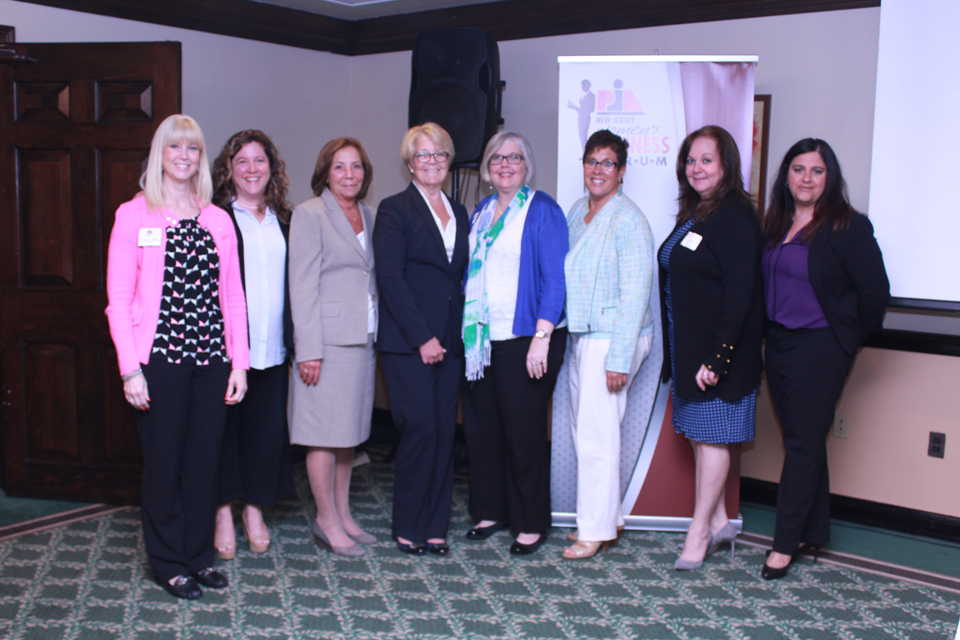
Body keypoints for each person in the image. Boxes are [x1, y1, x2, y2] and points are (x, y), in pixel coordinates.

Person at [105, 114, 248, 600]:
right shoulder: (134, 214)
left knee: (203, 463)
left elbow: (234, 298)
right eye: (175, 148)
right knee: (164, 464)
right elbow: (118, 298)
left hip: (212, 362)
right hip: (159, 362)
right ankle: (168, 563)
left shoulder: (218, 219)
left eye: (192, 149)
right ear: (159, 155)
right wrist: (130, 369)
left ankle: (197, 557)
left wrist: (240, 363)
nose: (184, 157)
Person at [760, 139, 888, 580]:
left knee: (800, 445)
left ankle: (783, 544)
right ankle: (812, 530)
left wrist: (844, 342)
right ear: (787, 175)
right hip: (777, 344)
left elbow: (875, 295)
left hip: (820, 348)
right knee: (805, 439)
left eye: (816, 171)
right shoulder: (776, 223)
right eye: (798, 169)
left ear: (829, 178)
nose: (806, 179)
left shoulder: (847, 227)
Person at [657, 125, 764, 571]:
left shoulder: (735, 214)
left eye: (707, 160)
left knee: (713, 439)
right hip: (691, 349)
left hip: (718, 356)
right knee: (704, 440)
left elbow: (741, 293)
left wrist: (718, 358)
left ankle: (698, 533)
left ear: (726, 166)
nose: (696, 168)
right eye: (690, 160)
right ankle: (720, 521)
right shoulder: (698, 213)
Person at [461, 132, 568, 556]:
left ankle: (530, 521)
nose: (505, 164)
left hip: (527, 339)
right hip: (481, 342)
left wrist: (541, 338)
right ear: (487, 167)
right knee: (484, 432)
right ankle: (491, 510)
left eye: (515, 157)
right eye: (497, 158)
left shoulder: (543, 210)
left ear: (527, 164)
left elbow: (555, 280)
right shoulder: (481, 212)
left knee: (523, 436)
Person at [373, 123, 468, 556]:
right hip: (410, 343)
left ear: (449, 161)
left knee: (444, 433)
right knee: (420, 430)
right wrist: (422, 337)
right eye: (423, 155)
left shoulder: (460, 211)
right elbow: (390, 278)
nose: (432, 162)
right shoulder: (395, 210)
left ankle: (435, 526)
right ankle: (408, 524)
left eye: (439, 155)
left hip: (453, 340)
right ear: (410, 162)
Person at [562, 130, 654, 559]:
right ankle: (606, 520)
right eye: (592, 161)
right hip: (583, 335)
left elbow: (636, 294)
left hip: (614, 339)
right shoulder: (578, 210)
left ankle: (592, 531)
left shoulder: (629, 219)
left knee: (599, 437)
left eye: (608, 163)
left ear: (621, 171)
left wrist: (618, 358)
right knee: (588, 433)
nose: (598, 170)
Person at [289, 138, 378, 558]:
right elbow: (301, 284)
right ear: (326, 172)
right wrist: (308, 349)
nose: (349, 175)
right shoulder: (309, 214)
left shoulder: (371, 214)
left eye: (356, 167)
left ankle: (343, 514)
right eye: (340, 167)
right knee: (322, 437)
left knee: (348, 436)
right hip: (324, 342)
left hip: (363, 339)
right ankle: (325, 520)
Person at [209, 130, 295, 561]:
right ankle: (223, 511)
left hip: (275, 349)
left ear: (271, 168)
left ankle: (254, 511)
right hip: (227, 353)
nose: (251, 169)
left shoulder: (286, 219)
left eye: (259, 160)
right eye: (241, 161)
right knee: (224, 435)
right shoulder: (216, 218)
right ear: (228, 170)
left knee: (266, 435)